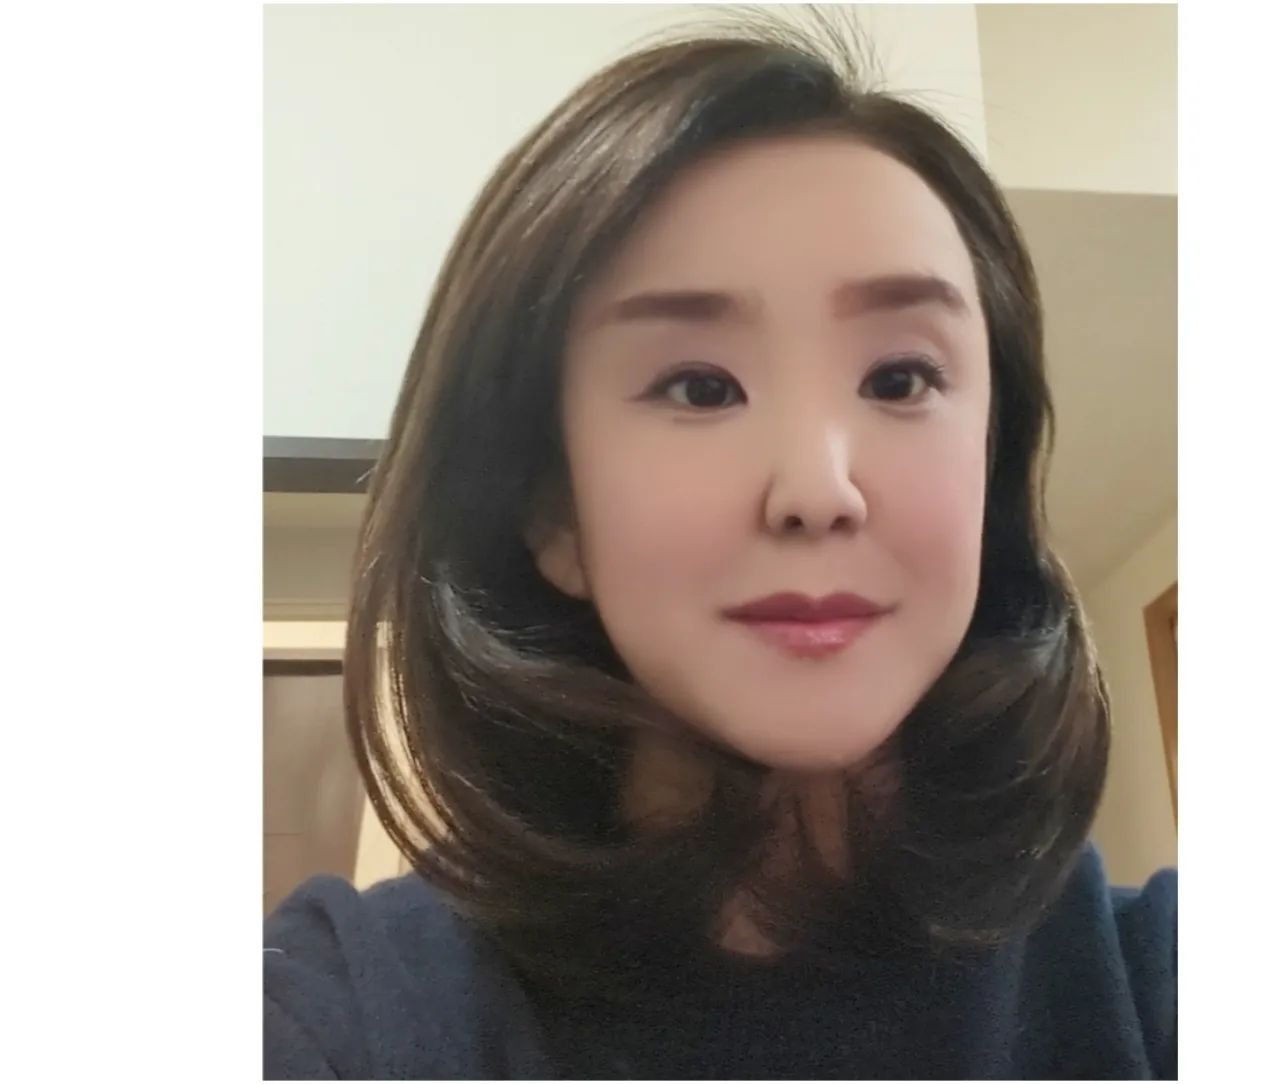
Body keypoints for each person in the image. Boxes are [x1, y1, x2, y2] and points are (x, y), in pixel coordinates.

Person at [263, 11, 1177, 1080]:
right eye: (700, 387)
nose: (819, 490)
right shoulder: (345, 1016)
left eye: (900, 379)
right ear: (553, 513)